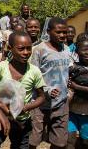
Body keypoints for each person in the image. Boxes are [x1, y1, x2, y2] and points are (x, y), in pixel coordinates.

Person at [0, 31, 46, 149]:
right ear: (10, 48)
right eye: (21, 49)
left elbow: (42, 96)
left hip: (22, 121)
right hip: (0, 117)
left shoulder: (34, 71)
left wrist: (26, 107)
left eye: (29, 49)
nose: (26, 52)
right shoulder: (1, 67)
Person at [29, 17, 72, 149]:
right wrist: (46, 90)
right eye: (58, 32)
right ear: (48, 32)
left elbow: (67, 70)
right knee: (33, 139)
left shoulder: (66, 49)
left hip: (61, 102)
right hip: (40, 103)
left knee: (59, 141)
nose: (62, 35)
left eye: (64, 32)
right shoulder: (39, 50)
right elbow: (32, 75)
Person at [68, 35, 88, 148]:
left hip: (86, 113)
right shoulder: (73, 68)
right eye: (84, 50)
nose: (87, 53)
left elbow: (73, 85)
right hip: (72, 111)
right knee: (69, 140)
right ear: (76, 51)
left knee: (85, 142)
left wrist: (76, 86)